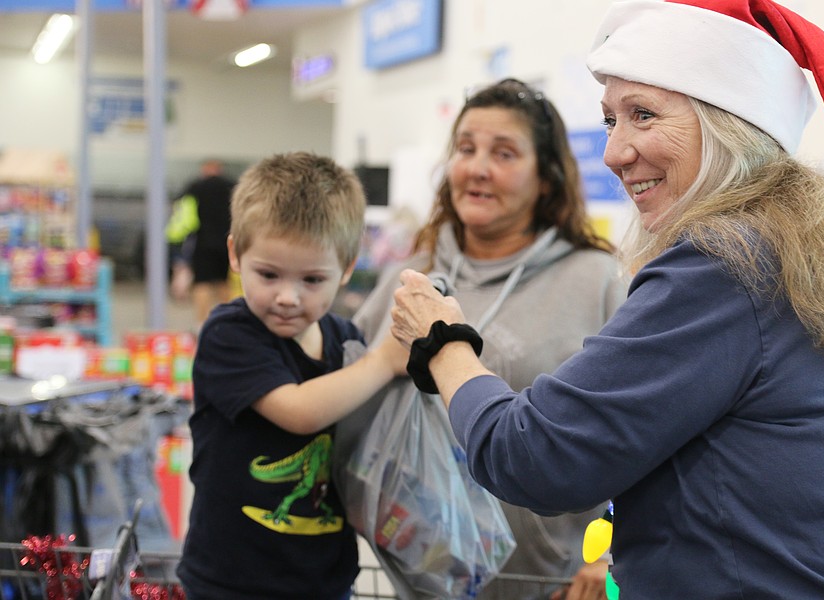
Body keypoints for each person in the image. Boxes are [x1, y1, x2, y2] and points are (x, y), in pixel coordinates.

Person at [389, 1, 824, 598]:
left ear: (728, 123)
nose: (614, 152)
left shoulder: (725, 262)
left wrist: (442, 341)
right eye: (611, 120)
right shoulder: (809, 253)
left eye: (644, 114)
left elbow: (535, 456)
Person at [349, 78, 627, 599]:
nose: (477, 168)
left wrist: (609, 551)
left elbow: (641, 427)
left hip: (552, 584)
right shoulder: (411, 279)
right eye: (466, 148)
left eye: (503, 153)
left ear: (545, 178)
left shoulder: (599, 282)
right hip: (417, 580)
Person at [175, 151, 409, 600]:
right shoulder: (228, 334)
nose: (287, 297)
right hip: (230, 581)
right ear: (235, 254)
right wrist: (384, 361)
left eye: (312, 280)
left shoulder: (345, 339)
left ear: (346, 267)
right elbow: (300, 411)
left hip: (326, 578)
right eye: (269, 274)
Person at [166, 158, 237, 330]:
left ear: (205, 169)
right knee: (224, 283)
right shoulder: (232, 186)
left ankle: (201, 323)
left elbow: (183, 216)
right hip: (227, 242)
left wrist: (176, 240)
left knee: (202, 283)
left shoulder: (195, 187)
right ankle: (227, 322)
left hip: (203, 243)